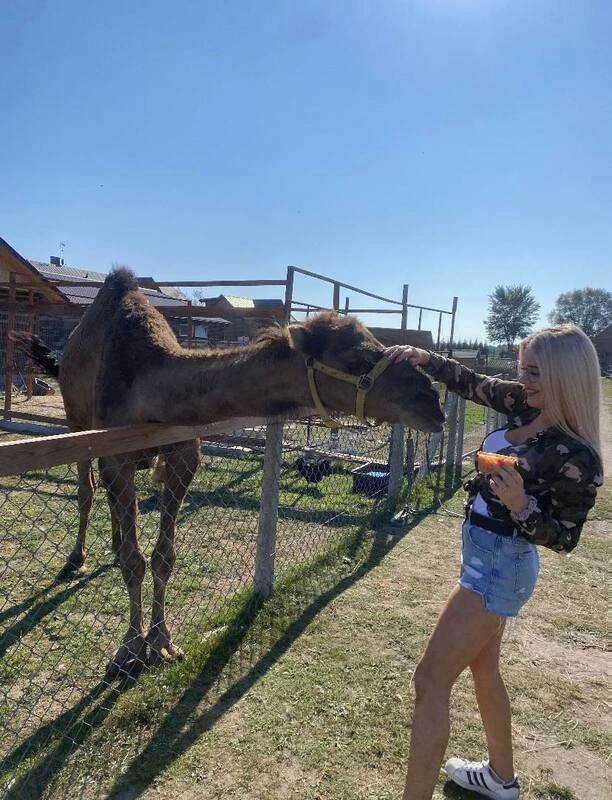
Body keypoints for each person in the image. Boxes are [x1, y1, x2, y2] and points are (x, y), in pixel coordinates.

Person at [384, 324, 603, 800]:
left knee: (429, 680)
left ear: (568, 377)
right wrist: (427, 360)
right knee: (484, 669)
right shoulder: (523, 403)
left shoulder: (576, 455)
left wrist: (523, 505)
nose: (525, 382)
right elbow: (469, 382)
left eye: (536, 373)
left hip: (501, 568)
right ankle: (501, 779)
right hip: (482, 558)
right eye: (523, 369)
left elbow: (565, 539)